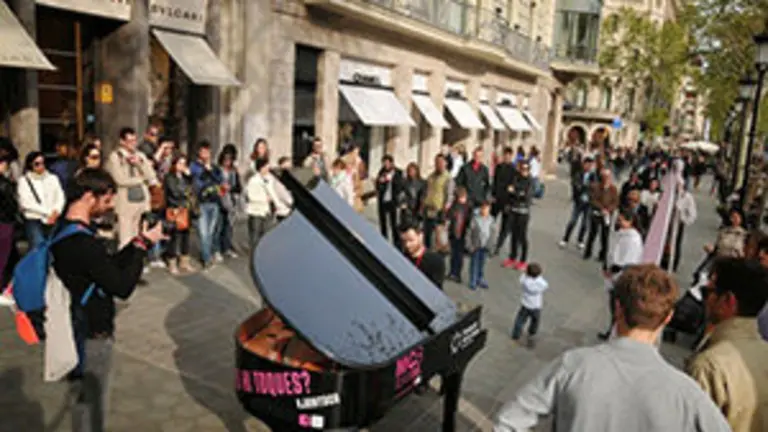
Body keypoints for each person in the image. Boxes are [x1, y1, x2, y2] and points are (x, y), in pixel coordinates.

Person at [494, 264, 731, 432]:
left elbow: (509, 421)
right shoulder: (687, 394)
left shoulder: (574, 365)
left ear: (617, 308)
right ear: (668, 317)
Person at [52, 168, 165, 432]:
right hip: (93, 329)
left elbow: (105, 268)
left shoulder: (64, 230)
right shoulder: (84, 243)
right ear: (90, 197)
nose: (110, 206)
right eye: (107, 199)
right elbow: (122, 286)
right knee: (93, 400)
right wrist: (139, 250)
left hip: (73, 323)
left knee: (82, 395)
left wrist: (141, 241)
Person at [686, 258, 768, 432]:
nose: (705, 300)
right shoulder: (764, 353)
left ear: (727, 301)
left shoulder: (708, 366)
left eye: (708, 292)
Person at [105, 127, 158, 248]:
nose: (133, 144)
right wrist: (140, 180)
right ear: (122, 142)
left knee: (137, 237)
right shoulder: (115, 157)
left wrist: (140, 164)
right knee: (125, 238)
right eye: (129, 141)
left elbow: (151, 176)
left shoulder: (140, 155)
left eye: (134, 140)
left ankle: (135, 262)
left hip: (141, 201)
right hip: (125, 202)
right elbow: (119, 180)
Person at [598, 208, 644, 340]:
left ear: (630, 222)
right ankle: (612, 330)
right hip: (613, 273)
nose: (618, 223)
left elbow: (627, 261)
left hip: (620, 277)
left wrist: (611, 270)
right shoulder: (622, 234)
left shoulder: (633, 239)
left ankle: (615, 333)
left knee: (617, 307)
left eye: (621, 220)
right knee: (613, 306)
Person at [18, 151, 66, 249]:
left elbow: (60, 196)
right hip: (34, 218)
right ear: (30, 164)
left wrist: (56, 211)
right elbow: (26, 202)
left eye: (43, 163)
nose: (41, 166)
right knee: (38, 246)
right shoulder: (24, 181)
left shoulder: (53, 178)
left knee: (53, 247)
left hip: (53, 218)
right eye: (37, 164)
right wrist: (48, 213)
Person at [189, 141, 223, 268]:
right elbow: (197, 180)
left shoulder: (214, 166)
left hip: (214, 202)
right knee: (203, 233)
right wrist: (205, 169)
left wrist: (211, 169)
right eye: (203, 152)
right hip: (201, 203)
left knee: (210, 232)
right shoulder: (194, 166)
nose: (206, 154)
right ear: (199, 152)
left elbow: (219, 179)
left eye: (208, 152)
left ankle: (207, 254)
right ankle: (206, 258)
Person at [163, 154, 195, 275]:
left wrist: (189, 176)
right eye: (180, 163)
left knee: (186, 235)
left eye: (184, 163)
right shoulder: (169, 177)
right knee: (173, 236)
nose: (182, 166)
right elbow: (174, 193)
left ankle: (184, 261)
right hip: (174, 208)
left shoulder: (186, 177)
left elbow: (192, 189)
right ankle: (172, 262)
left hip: (186, 209)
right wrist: (185, 192)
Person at [503, 160, 534, 271]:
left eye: (526, 169)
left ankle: (523, 260)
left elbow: (526, 196)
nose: (524, 171)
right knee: (514, 235)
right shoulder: (516, 178)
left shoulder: (530, 181)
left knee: (522, 236)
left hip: (523, 212)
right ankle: (512, 257)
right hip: (514, 210)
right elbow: (509, 191)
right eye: (522, 169)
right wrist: (516, 193)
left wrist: (515, 191)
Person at [559, 156, 596, 249]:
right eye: (587, 164)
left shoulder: (593, 176)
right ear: (584, 164)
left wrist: (587, 188)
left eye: (591, 165)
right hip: (578, 201)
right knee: (573, 221)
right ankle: (565, 239)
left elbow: (595, 188)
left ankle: (580, 240)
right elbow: (576, 185)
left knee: (585, 223)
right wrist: (586, 187)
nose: (589, 167)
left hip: (589, 203)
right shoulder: (578, 174)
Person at [584, 168, 619, 262]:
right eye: (605, 177)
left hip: (607, 215)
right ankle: (587, 252)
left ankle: (603, 255)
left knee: (605, 236)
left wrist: (609, 210)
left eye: (608, 177)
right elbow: (592, 200)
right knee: (592, 234)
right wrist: (601, 208)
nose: (607, 179)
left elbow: (615, 202)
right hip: (597, 213)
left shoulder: (613, 189)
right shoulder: (595, 187)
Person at [511, 262, 548, 348]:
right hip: (536, 306)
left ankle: (516, 334)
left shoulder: (524, 280)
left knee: (520, 320)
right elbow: (545, 285)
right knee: (535, 321)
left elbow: (522, 277)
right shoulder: (539, 283)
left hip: (525, 304)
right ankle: (532, 332)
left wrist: (525, 272)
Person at [399, 222, 445, 289]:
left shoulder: (435, 261)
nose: (407, 245)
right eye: (404, 241)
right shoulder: (401, 258)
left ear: (420, 236)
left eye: (411, 240)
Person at [422, 154, 454, 249]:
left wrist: (445, 210)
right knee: (427, 235)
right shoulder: (431, 176)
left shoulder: (448, 178)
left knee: (439, 237)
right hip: (428, 210)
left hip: (440, 211)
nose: (438, 164)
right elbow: (426, 191)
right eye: (436, 162)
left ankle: (438, 256)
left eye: (440, 162)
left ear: (445, 163)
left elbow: (450, 196)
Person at [0, 153, 19, 304]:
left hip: (5, 221)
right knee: (4, 256)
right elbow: (10, 204)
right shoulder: (5, 184)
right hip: (4, 222)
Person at [245, 157, 276, 248]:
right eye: (266, 166)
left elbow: (273, 192)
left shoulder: (270, 178)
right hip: (256, 211)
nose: (268, 168)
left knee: (265, 234)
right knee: (255, 234)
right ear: (261, 168)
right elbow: (251, 196)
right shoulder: (253, 180)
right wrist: (265, 199)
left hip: (267, 210)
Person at [218, 147, 242, 259]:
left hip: (231, 201)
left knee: (229, 226)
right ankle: (218, 248)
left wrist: (231, 187)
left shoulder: (233, 171)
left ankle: (226, 248)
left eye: (230, 159)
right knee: (219, 226)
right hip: (220, 200)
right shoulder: (217, 170)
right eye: (225, 159)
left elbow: (238, 187)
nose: (227, 162)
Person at [466, 200, 496, 290]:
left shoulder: (491, 220)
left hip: (485, 246)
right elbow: (469, 233)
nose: (485, 211)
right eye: (483, 209)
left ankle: (480, 278)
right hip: (476, 246)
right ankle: (473, 280)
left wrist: (491, 246)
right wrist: (469, 245)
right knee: (474, 264)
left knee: (482, 264)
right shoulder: (475, 219)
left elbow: (493, 233)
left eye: (487, 209)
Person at [375, 155, 403, 247]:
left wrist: (391, 180)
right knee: (383, 222)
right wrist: (380, 181)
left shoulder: (398, 172)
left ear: (391, 163)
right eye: (384, 163)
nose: (385, 165)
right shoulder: (381, 172)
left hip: (393, 201)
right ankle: (384, 242)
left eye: (387, 163)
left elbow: (400, 186)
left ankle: (396, 243)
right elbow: (377, 186)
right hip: (383, 201)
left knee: (394, 223)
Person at [493, 147, 517, 252]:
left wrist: (510, 202)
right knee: (490, 221)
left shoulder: (513, 169)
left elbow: (513, 186)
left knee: (505, 225)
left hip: (507, 200)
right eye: (505, 154)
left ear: (511, 156)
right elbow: (495, 181)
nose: (506, 156)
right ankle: (487, 241)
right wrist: (493, 195)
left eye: (508, 155)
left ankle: (498, 245)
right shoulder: (498, 167)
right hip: (497, 198)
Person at [446, 187, 471, 283]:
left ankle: (457, 274)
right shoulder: (455, 206)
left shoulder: (468, 207)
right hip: (454, 233)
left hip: (462, 234)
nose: (462, 199)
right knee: (453, 254)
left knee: (459, 256)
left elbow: (469, 221)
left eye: (463, 197)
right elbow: (449, 216)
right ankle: (452, 272)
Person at [674, 182, 698, 272]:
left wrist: (682, 220)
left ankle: (674, 263)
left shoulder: (687, 197)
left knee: (676, 243)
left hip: (677, 224)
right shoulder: (668, 194)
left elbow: (692, 215)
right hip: (667, 224)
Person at [399, 162, 425, 227]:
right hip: (406, 211)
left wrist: (421, 209)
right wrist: (402, 202)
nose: (411, 172)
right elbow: (401, 195)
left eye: (413, 170)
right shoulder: (404, 182)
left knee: (416, 231)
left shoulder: (422, 182)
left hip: (417, 211)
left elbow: (423, 196)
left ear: (417, 171)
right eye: (409, 170)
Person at [271, 156, 294, 222]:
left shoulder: (288, 181)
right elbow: (289, 200)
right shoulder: (279, 182)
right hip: (283, 213)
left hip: (287, 212)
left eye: (290, 167)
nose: (289, 170)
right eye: (286, 168)